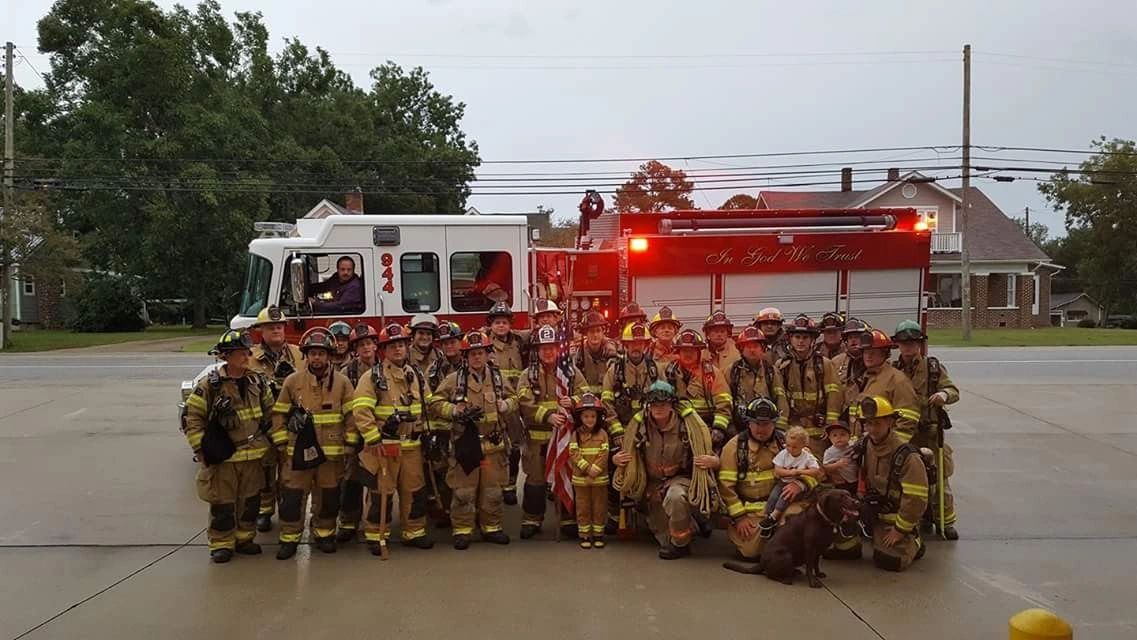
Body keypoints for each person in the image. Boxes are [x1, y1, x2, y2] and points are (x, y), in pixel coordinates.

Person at [181, 330, 274, 563]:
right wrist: (200, 450)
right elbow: (192, 418)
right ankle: (222, 543)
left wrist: (277, 445)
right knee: (223, 504)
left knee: (250, 502)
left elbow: (271, 415)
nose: (247, 356)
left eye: (247, 352)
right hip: (225, 457)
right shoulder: (209, 386)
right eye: (241, 353)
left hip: (253, 455)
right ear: (226, 356)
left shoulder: (258, 381)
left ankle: (245, 539)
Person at [269, 328, 356, 559]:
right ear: (306, 355)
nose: (316, 358)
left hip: (331, 456)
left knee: (327, 497)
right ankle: (289, 538)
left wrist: (349, 445)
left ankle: (324, 534)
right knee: (292, 497)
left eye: (321, 353)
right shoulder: (292, 382)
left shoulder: (343, 383)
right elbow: (279, 415)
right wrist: (281, 444)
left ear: (329, 355)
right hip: (298, 454)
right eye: (312, 353)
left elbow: (351, 417)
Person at [350, 324, 436, 554]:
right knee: (381, 494)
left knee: (414, 491)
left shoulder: (416, 375)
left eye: (401, 344)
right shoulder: (372, 377)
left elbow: (430, 406)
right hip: (384, 448)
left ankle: (414, 532)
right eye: (392, 346)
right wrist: (374, 438)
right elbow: (360, 411)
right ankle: (376, 535)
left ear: (407, 347)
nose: (397, 349)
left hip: (412, 446)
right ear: (383, 349)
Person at [430, 331, 518, 550]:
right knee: (463, 491)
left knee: (493, 491)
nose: (476, 358)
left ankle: (492, 528)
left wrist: (506, 405)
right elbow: (434, 403)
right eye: (472, 354)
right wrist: (454, 410)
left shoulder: (498, 378)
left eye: (480, 353)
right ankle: (462, 530)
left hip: (493, 447)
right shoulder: (454, 379)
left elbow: (514, 398)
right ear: (465, 356)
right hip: (465, 447)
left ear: (487, 354)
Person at [613, 381, 720, 560]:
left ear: (672, 405)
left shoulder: (689, 425)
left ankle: (681, 545)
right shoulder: (639, 426)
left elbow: (710, 454)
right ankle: (693, 523)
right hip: (652, 485)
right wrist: (616, 459)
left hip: (681, 480)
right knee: (664, 538)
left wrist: (714, 461)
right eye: (654, 404)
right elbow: (627, 450)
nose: (658, 408)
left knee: (675, 497)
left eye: (663, 404)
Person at [892, 319, 961, 540]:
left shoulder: (933, 367)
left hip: (931, 434)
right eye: (904, 343)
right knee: (910, 483)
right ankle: (918, 519)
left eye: (913, 343)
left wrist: (944, 395)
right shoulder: (892, 371)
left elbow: (953, 390)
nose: (909, 348)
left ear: (920, 344)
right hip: (904, 434)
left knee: (940, 481)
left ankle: (945, 522)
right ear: (898, 346)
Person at [517, 325, 587, 539]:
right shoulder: (528, 375)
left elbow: (586, 396)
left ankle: (567, 519)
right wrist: (547, 416)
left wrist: (573, 401)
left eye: (552, 347)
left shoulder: (571, 373)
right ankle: (532, 519)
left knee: (566, 476)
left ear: (559, 348)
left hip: (564, 438)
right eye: (543, 348)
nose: (548, 352)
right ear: (536, 350)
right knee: (535, 481)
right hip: (537, 440)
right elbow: (523, 402)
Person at [247, 305, 304, 533]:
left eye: (279, 326)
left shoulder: (300, 354)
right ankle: (264, 511)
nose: (276, 331)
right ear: (261, 331)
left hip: (293, 424)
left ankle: (288, 514)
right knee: (266, 471)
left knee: (290, 473)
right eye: (271, 328)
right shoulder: (250, 358)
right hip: (264, 424)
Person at [601, 321, 660, 533]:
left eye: (641, 343)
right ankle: (615, 515)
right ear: (624, 346)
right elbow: (606, 403)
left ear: (646, 345)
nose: (636, 347)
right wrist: (617, 432)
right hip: (621, 429)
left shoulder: (655, 370)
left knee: (652, 470)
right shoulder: (614, 370)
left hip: (648, 429)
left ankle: (647, 512)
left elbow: (663, 401)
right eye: (632, 344)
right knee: (613, 466)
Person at [858, 396, 929, 572]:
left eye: (877, 424)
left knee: (889, 561)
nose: (871, 429)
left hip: (895, 516)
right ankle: (873, 534)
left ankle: (915, 540)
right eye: (868, 424)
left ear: (890, 422)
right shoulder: (866, 444)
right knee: (843, 547)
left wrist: (900, 530)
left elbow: (916, 499)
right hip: (872, 510)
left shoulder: (908, 456)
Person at [717, 398, 788, 563]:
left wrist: (800, 485)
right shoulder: (734, 448)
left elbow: (813, 471)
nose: (760, 429)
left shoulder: (786, 444)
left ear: (774, 424)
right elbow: (725, 488)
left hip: (781, 507)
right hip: (748, 512)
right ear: (748, 423)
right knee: (751, 552)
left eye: (766, 424)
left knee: (795, 522)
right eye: (756, 423)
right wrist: (740, 518)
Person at [336, 323, 380, 543]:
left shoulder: (386, 368)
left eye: (369, 343)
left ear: (375, 345)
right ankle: (348, 523)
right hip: (355, 435)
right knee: (350, 480)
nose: (365, 348)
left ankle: (377, 524)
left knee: (378, 481)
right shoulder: (346, 373)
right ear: (354, 349)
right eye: (360, 345)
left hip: (378, 434)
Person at [777, 314, 841, 457]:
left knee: (817, 469)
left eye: (805, 338)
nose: (801, 341)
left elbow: (834, 394)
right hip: (791, 430)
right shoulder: (782, 366)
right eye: (797, 337)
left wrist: (831, 425)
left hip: (818, 431)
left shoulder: (824, 364)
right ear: (790, 339)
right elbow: (779, 396)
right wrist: (781, 428)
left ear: (812, 340)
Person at [485, 302, 528, 506]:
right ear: (491, 325)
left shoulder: (519, 341)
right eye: (497, 322)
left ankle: (510, 486)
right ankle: (495, 485)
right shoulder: (483, 343)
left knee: (515, 447)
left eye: (504, 322)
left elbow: (539, 332)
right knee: (493, 448)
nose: (501, 326)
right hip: (491, 404)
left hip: (513, 404)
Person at [665, 329, 733, 452]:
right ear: (678, 352)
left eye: (692, 350)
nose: (688, 354)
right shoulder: (668, 372)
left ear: (699, 351)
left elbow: (724, 402)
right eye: (684, 350)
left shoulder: (711, 373)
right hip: (675, 429)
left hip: (706, 427)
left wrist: (719, 428)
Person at [849, 329, 922, 443]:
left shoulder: (897, 379)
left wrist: (895, 446)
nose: (868, 356)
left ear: (885, 354)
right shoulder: (862, 378)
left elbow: (909, 416)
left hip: (884, 446)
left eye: (873, 352)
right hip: (864, 445)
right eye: (866, 352)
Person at [758, 426, 823, 538]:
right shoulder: (783, 454)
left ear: (804, 445)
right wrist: (791, 473)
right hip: (783, 482)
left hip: (798, 485)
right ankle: (768, 521)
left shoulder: (807, 457)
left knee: (785, 497)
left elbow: (816, 471)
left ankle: (773, 517)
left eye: (795, 447)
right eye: (788, 445)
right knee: (773, 497)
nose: (790, 449)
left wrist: (801, 472)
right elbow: (777, 471)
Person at [727, 326, 790, 430]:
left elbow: (781, 399)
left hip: (766, 425)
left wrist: (780, 428)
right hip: (740, 427)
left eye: (756, 346)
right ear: (741, 349)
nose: (752, 350)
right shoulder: (732, 371)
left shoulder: (771, 371)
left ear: (763, 348)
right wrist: (730, 426)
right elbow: (726, 401)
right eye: (748, 346)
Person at [569, 393, 611, 549]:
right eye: (586, 416)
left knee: (599, 506)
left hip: (599, 479)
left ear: (598, 417)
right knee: (583, 507)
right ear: (580, 417)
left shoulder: (603, 434)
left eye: (593, 416)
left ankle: (599, 534)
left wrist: (596, 469)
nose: (589, 419)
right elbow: (573, 453)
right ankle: (585, 535)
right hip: (581, 480)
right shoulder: (575, 435)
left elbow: (604, 453)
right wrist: (586, 468)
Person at [831, 317, 870, 424]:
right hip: (841, 419)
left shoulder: (872, 362)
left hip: (867, 418)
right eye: (850, 337)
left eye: (857, 337)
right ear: (845, 341)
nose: (853, 340)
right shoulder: (835, 362)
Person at [574, 311, 618, 394]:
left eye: (598, 331)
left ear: (603, 332)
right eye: (591, 331)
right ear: (586, 333)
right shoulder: (580, 352)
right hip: (586, 398)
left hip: (607, 396)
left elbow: (614, 373)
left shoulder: (610, 349)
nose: (595, 335)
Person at [821, 418, 859, 494]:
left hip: (856, 480)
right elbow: (825, 468)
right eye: (834, 435)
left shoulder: (853, 445)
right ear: (830, 438)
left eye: (843, 434)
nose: (839, 437)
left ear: (849, 436)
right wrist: (837, 465)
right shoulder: (829, 452)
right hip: (842, 482)